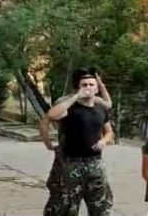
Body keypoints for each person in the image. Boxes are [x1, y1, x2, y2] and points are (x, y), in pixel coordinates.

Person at [39, 70, 112, 216]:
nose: (88, 87)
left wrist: (103, 141)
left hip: (95, 164)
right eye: (84, 84)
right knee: (64, 207)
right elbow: (50, 116)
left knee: (101, 206)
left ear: (96, 89)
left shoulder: (100, 108)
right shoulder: (69, 107)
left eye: (91, 84)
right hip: (71, 164)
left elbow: (109, 131)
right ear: (78, 87)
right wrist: (77, 96)